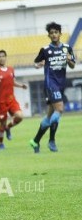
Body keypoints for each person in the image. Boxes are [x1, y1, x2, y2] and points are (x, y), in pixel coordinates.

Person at [29, 22, 76, 153]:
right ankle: (51, 141)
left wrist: (69, 60)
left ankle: (35, 141)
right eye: (51, 33)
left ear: (60, 34)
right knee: (60, 109)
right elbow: (35, 63)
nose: (54, 34)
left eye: (56, 32)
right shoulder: (45, 50)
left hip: (60, 84)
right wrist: (38, 65)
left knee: (50, 117)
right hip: (50, 84)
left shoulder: (67, 48)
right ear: (49, 35)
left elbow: (72, 65)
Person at [0, 50, 27, 150]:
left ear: (6, 57)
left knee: (20, 116)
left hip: (11, 99)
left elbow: (12, 82)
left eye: (3, 56)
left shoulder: (11, 69)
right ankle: (0, 143)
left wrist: (21, 85)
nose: (1, 58)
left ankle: (8, 128)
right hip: (1, 101)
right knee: (2, 123)